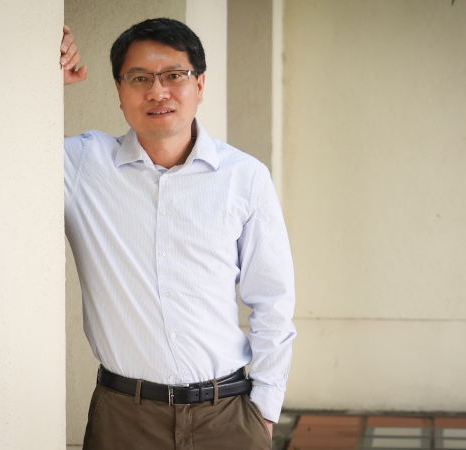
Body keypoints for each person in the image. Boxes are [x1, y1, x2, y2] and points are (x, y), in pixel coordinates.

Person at [60, 18, 296, 450]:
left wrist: (264, 409)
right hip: (123, 418)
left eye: (174, 76)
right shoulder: (81, 167)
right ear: (118, 90)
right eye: (139, 78)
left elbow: (273, 300)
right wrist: (44, 81)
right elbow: (1, 151)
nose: (157, 91)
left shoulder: (244, 177)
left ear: (200, 85)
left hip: (228, 414)